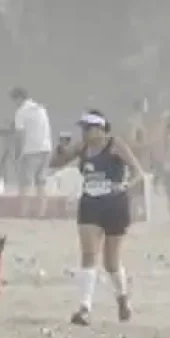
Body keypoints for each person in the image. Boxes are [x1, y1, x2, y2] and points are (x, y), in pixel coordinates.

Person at [52, 111, 148, 325]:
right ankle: (85, 307)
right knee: (88, 254)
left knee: (111, 262)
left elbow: (137, 172)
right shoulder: (81, 147)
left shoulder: (116, 145)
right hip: (90, 204)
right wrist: (61, 147)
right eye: (83, 129)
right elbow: (55, 163)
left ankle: (122, 297)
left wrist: (124, 186)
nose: (84, 133)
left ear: (100, 129)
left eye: (88, 128)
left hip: (114, 204)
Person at [10, 87, 53, 197]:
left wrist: (17, 153)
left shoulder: (21, 111)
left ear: (19, 98)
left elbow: (20, 134)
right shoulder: (40, 108)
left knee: (26, 181)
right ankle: (41, 212)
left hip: (31, 150)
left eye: (14, 99)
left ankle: (23, 210)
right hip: (46, 148)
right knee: (41, 181)